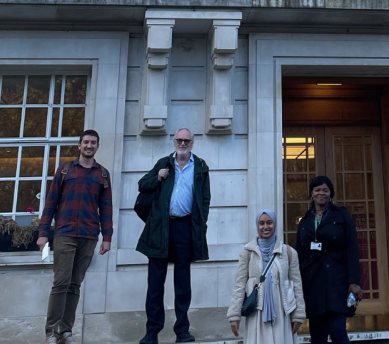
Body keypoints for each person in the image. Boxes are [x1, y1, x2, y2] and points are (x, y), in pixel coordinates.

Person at [136, 128, 211, 344]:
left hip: (185, 227)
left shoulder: (201, 166)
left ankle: (182, 330)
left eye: (186, 140)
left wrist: (201, 222)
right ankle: (152, 332)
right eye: (179, 139)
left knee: (182, 282)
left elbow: (205, 198)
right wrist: (158, 178)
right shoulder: (163, 163)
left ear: (192, 142)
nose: (183, 143)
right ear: (174, 141)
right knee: (155, 283)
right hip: (161, 228)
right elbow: (142, 184)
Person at [37, 129, 113, 344]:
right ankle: (51, 331)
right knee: (61, 282)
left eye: (93, 143)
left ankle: (65, 331)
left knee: (75, 285)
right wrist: (43, 233)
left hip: (89, 235)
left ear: (97, 146)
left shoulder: (103, 175)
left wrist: (107, 237)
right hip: (65, 233)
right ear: (79, 146)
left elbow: (106, 208)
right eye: (86, 142)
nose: (89, 146)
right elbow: (51, 203)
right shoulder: (65, 170)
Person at [295, 176, 361, 344]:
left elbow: (352, 249)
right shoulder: (305, 221)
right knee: (317, 335)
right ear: (311, 194)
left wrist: (354, 281)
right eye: (317, 190)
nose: (321, 193)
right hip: (313, 282)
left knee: (338, 331)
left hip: (336, 281)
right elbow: (299, 254)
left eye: (325, 190)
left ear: (330, 194)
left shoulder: (342, 216)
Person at [226, 210, 306, 344]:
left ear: (275, 224)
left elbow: (297, 284)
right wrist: (234, 315)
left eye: (269, 223)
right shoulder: (248, 253)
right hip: (257, 312)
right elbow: (239, 284)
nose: (265, 227)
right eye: (261, 223)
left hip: (282, 311)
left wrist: (298, 315)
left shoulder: (288, 252)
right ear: (257, 226)